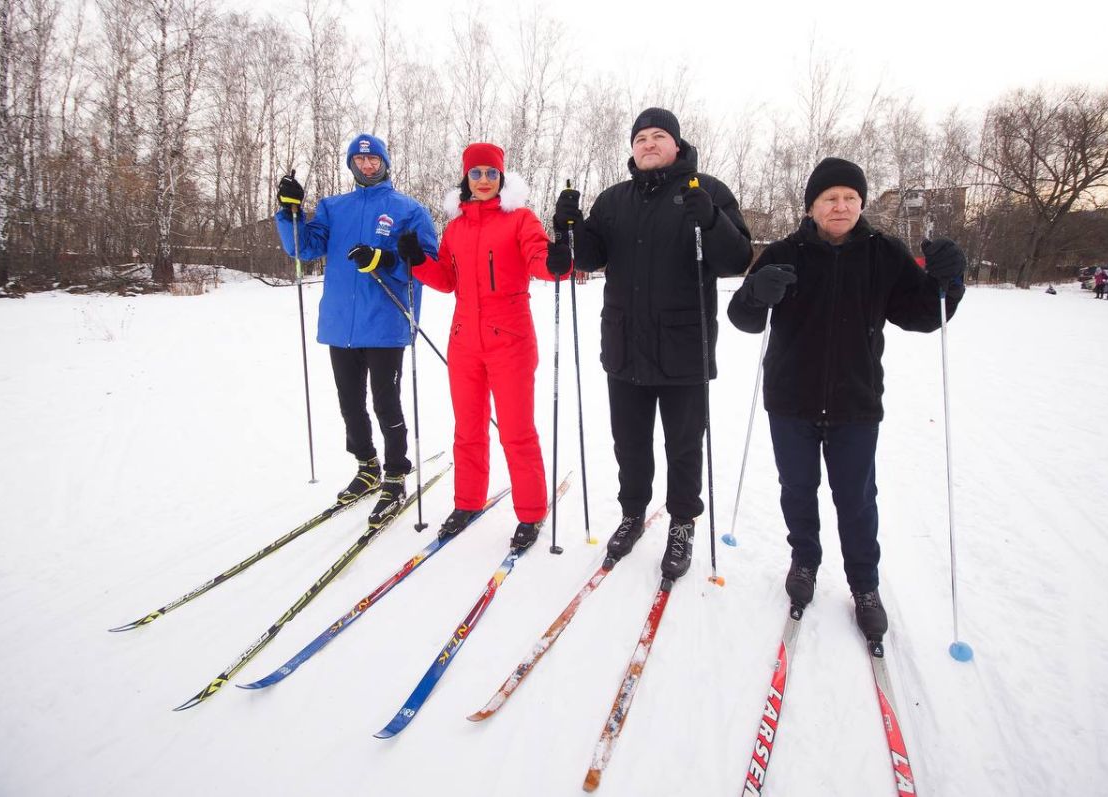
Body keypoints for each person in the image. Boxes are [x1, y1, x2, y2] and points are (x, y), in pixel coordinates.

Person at [726, 156, 965, 641]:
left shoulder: (884, 254)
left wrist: (948, 282)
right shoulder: (784, 252)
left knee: (856, 499)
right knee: (797, 489)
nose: (841, 206)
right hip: (791, 399)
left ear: (861, 204)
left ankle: (864, 585)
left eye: (850, 199)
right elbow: (743, 318)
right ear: (812, 205)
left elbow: (921, 314)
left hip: (855, 402)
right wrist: (757, 293)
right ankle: (805, 561)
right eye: (830, 198)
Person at [551, 107, 753, 580]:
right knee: (630, 443)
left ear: (677, 146)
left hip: (684, 349)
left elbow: (736, 260)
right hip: (624, 345)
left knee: (684, 444)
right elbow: (588, 258)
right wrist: (570, 225)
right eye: (640, 138)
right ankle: (632, 512)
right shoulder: (613, 199)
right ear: (632, 149)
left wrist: (712, 221)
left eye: (658, 136)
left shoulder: (708, 191)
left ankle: (682, 523)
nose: (648, 144)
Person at [396, 143, 564, 552]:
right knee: (468, 430)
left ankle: (530, 512)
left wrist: (560, 260)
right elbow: (446, 279)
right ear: (466, 179)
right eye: (476, 173)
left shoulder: (520, 219)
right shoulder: (456, 228)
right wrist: (418, 259)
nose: (484, 180)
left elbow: (540, 260)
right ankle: (467, 502)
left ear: (502, 178)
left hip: (511, 341)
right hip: (464, 344)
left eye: (491, 173)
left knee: (516, 431)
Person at [274, 134, 438, 523]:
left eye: (373, 159)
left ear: (384, 163)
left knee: (385, 402)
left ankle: (396, 471)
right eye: (360, 160)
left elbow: (425, 263)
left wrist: (383, 258)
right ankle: (367, 466)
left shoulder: (408, 209)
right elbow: (304, 247)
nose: (367, 166)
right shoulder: (334, 207)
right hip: (340, 324)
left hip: (384, 321)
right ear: (351, 164)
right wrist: (290, 212)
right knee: (350, 403)